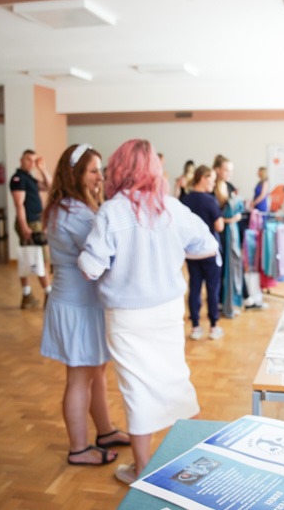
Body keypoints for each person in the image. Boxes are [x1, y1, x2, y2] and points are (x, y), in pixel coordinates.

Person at [78, 139, 219, 483]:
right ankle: (199, 460)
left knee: (136, 389)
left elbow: (91, 268)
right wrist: (171, 256)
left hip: (128, 316)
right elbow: (208, 245)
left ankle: (142, 469)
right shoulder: (170, 206)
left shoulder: (111, 211)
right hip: (168, 310)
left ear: (120, 168)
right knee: (175, 380)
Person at [41, 143, 131, 467]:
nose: (99, 177)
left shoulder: (69, 206)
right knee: (80, 377)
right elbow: (101, 253)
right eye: (93, 170)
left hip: (83, 303)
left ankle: (104, 431)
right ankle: (79, 448)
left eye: (100, 170)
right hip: (76, 306)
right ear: (75, 174)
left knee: (96, 371)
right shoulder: (74, 212)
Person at [181, 165, 225, 340]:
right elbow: (219, 226)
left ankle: (195, 327)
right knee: (213, 289)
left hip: (191, 252)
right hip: (210, 253)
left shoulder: (184, 200)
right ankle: (214, 326)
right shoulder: (209, 201)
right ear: (203, 178)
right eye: (212, 180)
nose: (214, 184)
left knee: (195, 287)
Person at [10, 149, 52, 309]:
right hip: (30, 223)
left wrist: (42, 169)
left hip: (36, 222)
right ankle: (46, 293)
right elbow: (18, 204)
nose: (31, 163)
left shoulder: (29, 178)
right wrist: (24, 226)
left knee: (34, 258)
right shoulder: (18, 179)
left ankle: (28, 296)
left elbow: (49, 186)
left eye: (34, 161)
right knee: (38, 258)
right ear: (21, 159)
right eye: (28, 160)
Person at [212, 154, 243, 318]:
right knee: (220, 270)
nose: (228, 173)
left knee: (232, 268)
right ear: (217, 170)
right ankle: (218, 303)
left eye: (230, 171)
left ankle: (229, 302)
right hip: (219, 234)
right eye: (226, 170)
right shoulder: (212, 188)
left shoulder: (229, 186)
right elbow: (211, 214)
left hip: (231, 234)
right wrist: (229, 219)